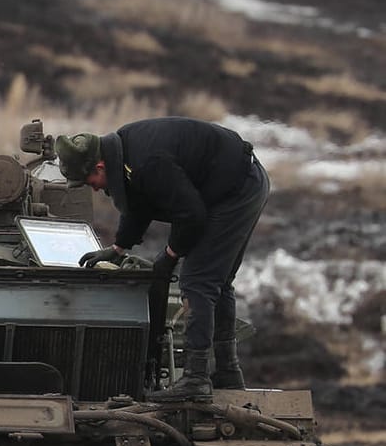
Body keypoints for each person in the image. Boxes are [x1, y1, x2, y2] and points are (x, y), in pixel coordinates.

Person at [57, 118, 269, 402]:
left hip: (236, 191)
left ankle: (196, 379)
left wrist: (170, 255)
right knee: (217, 281)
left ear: (99, 167)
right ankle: (228, 373)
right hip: (240, 182)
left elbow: (191, 215)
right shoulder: (124, 150)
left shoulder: (147, 162)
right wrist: (119, 247)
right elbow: (139, 201)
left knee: (197, 282)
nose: (93, 189)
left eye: (89, 182)